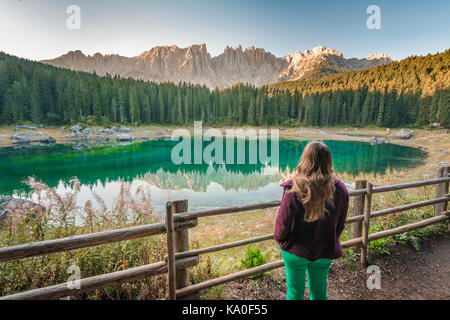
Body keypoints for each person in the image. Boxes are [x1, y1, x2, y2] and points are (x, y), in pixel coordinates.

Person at [274, 141, 349, 300]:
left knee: (294, 293)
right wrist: (332, 239)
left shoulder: (294, 188)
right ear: (328, 161)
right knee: (319, 293)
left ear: (305, 160)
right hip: (325, 250)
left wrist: (281, 240)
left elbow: (283, 224)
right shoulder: (340, 189)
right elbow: (340, 224)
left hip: (295, 250)